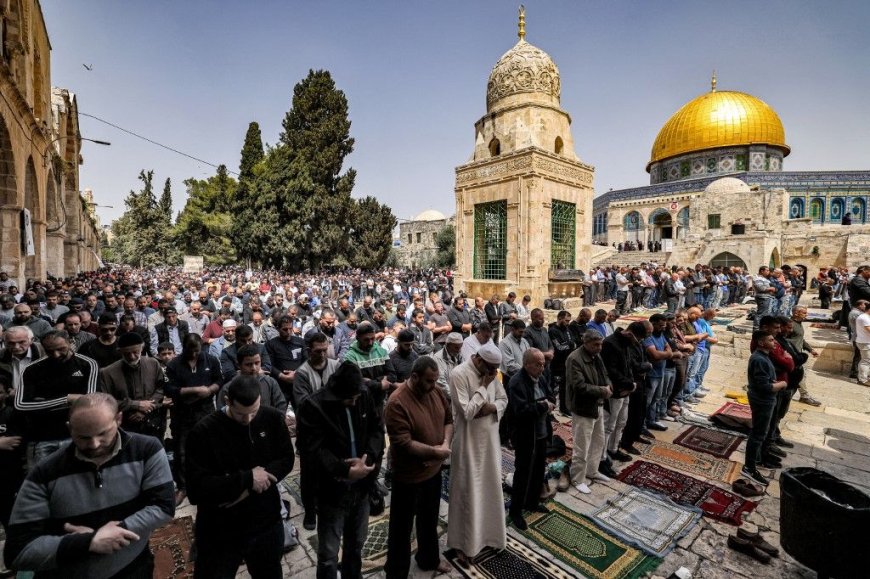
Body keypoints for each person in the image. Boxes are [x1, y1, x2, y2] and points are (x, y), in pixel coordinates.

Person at [3, 393, 174, 578]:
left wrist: (115, 532)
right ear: (70, 429)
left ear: (118, 420)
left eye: (102, 434)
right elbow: (18, 551)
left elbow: (163, 506)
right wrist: (86, 543)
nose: (94, 444)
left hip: (134, 568)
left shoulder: (145, 450)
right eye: (83, 437)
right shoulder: (46, 472)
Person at [186, 375, 295, 579]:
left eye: (253, 413)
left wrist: (262, 479)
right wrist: (246, 480)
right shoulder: (203, 432)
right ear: (227, 401)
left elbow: (286, 459)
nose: (247, 420)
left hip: (265, 524)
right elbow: (197, 488)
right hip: (221, 530)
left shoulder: (271, 418)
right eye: (240, 414)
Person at [297, 362, 384, 579]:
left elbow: (376, 430)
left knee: (356, 544)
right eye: (349, 399)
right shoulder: (314, 406)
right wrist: (344, 470)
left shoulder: (362, 395)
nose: (354, 402)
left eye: (357, 397)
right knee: (328, 551)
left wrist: (368, 459)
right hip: (332, 490)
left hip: (362, 486)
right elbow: (313, 451)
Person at [384, 357, 453, 577]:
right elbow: (403, 443)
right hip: (408, 477)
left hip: (432, 472)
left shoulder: (437, 391)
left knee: (429, 519)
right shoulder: (397, 402)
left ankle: (428, 558)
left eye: (435, 381)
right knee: (401, 528)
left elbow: (448, 421)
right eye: (429, 381)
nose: (433, 386)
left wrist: (444, 445)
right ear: (414, 377)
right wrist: (435, 452)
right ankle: (397, 571)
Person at [446, 342, 507, 562]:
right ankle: (465, 544)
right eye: (489, 369)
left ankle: (491, 537)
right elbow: (468, 412)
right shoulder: (459, 374)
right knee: (468, 491)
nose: (493, 373)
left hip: (490, 441)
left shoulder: (491, 373)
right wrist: (483, 387)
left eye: (495, 370)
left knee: (489, 488)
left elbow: (503, 399)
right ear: (479, 360)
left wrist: (491, 408)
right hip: (468, 443)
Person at [15, 330, 99, 469]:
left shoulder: (87, 364)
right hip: (41, 436)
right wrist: (67, 399)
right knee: (41, 482)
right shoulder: (32, 369)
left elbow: (90, 403)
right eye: (49, 351)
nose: (56, 355)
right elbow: (21, 405)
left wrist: (42, 403)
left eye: (61, 349)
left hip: (75, 435)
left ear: (70, 343)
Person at [165, 333, 223, 506]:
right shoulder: (174, 364)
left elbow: (219, 379)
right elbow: (168, 388)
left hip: (205, 410)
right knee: (182, 451)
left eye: (197, 351)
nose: (194, 355)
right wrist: (192, 391)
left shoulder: (210, 360)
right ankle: (183, 487)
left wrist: (210, 389)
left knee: (210, 447)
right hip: (182, 412)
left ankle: (210, 480)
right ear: (184, 347)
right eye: (190, 351)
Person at [507, 348, 553, 530]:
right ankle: (516, 511)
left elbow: (550, 395)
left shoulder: (540, 377)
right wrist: (543, 406)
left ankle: (532, 502)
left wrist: (546, 403)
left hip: (540, 434)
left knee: (538, 470)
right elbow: (521, 411)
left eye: (543, 364)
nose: (542, 368)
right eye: (538, 365)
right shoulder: (516, 382)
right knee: (523, 473)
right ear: (527, 365)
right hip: (526, 436)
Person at [566, 331, 613, 493]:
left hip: (597, 405)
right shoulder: (574, 359)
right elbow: (579, 386)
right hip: (583, 408)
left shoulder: (595, 355)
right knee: (582, 445)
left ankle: (592, 471)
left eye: (600, 344)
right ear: (585, 343)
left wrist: (607, 386)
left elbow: (604, 374)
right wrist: (602, 391)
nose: (599, 348)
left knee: (598, 441)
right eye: (596, 344)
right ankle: (577, 478)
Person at [100, 331, 170, 440]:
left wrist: (146, 409)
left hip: (153, 423)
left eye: (135, 352)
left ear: (142, 348)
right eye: (127, 354)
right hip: (125, 426)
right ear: (120, 352)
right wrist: (136, 405)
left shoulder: (153, 363)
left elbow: (161, 389)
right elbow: (106, 401)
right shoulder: (107, 373)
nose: (132, 357)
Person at [743, 331, 787, 486]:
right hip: (762, 400)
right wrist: (780, 384)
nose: (774, 341)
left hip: (765, 400)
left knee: (761, 432)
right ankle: (749, 467)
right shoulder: (759, 359)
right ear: (761, 343)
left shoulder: (763, 358)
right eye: (771, 339)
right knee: (758, 433)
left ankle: (756, 460)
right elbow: (765, 387)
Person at [265, 315, 307, 407]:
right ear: (278, 329)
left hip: (298, 383)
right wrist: (283, 377)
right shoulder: (271, 344)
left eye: (290, 329)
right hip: (280, 385)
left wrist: (296, 373)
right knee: (279, 411)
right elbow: (269, 365)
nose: (288, 332)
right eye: (285, 329)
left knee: (301, 411)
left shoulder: (300, 341)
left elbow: (307, 360)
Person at [785, 306, 822, 405]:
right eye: (804, 313)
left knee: (798, 376)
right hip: (791, 354)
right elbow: (782, 339)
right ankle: (804, 396)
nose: (807, 315)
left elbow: (801, 339)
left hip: (796, 354)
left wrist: (810, 349)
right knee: (799, 375)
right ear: (796, 313)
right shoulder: (790, 324)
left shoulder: (798, 324)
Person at [548, 310, 575, 415]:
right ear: (559, 318)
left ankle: (564, 408)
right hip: (556, 365)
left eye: (569, 321)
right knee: (554, 389)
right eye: (566, 320)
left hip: (566, 363)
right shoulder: (552, 331)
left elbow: (573, 342)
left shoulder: (567, 329)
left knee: (565, 388)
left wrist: (568, 345)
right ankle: (550, 410)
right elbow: (559, 347)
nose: (568, 323)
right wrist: (569, 345)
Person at [433, 332, 463, 398]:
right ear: (448, 345)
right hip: (445, 397)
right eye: (456, 348)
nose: (459, 350)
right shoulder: (438, 358)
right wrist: (456, 398)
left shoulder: (460, 354)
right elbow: (441, 383)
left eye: (460, 347)